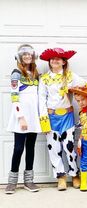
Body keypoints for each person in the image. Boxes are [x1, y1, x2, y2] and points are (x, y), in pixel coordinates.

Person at [39, 47, 85, 191]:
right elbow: (41, 99)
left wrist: (85, 94)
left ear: (64, 62)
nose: (54, 60)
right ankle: (61, 177)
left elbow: (85, 86)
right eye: (52, 59)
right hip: (51, 117)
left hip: (67, 117)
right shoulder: (44, 79)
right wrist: (43, 118)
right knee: (54, 148)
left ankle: (74, 174)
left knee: (69, 147)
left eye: (58, 58)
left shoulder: (70, 76)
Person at [6, 44, 41, 194]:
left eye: (29, 54)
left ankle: (29, 181)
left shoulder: (35, 73)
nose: (27, 57)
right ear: (19, 57)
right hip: (21, 117)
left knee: (31, 149)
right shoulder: (16, 73)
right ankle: (11, 182)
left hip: (34, 117)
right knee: (18, 148)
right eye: (24, 54)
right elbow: (14, 97)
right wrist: (21, 118)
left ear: (33, 56)